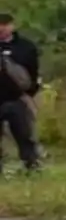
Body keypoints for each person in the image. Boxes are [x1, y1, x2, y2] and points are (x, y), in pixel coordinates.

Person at [0, 14, 42, 174]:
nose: (1, 28)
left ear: (12, 26)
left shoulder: (26, 47)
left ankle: (31, 164)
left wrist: (29, 94)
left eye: (5, 24)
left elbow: (33, 73)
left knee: (24, 133)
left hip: (16, 99)